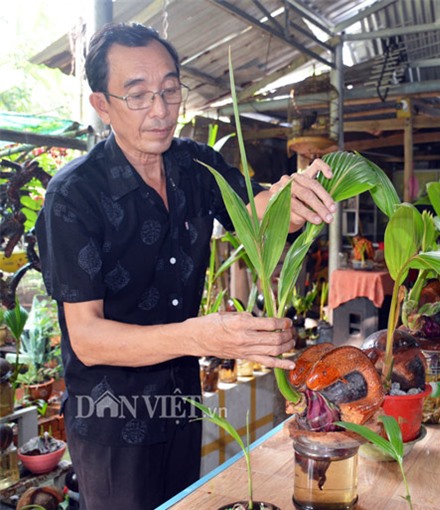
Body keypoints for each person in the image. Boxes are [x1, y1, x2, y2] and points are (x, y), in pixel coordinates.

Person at [35, 22, 336, 509]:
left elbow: (254, 215)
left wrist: (290, 197)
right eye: (138, 95)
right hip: (113, 418)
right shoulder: (74, 195)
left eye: (170, 91)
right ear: (102, 104)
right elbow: (87, 338)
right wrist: (200, 336)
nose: (160, 111)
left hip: (181, 402)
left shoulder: (194, 165)